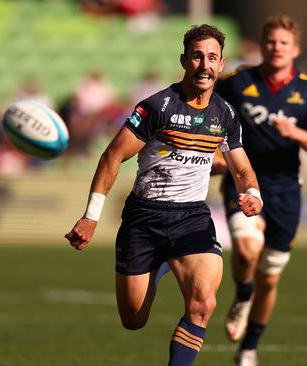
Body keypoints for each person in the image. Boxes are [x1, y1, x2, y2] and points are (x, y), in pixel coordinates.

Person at [64, 24, 263, 366]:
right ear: (185, 60)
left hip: (191, 219)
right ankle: (157, 265)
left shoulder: (225, 114)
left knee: (203, 303)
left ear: (221, 63)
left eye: (212, 58)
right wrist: (90, 216)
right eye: (198, 56)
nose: (204, 65)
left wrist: (253, 193)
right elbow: (112, 156)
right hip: (145, 218)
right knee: (133, 319)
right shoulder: (157, 107)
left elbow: (242, 167)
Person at [214, 15, 307, 366]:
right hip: (245, 182)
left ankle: (249, 346)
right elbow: (203, 106)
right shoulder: (238, 81)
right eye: (270, 41)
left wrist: (294, 132)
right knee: (247, 251)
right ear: (262, 45)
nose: (276, 48)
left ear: (295, 49)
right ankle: (242, 293)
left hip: (286, 191)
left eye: (283, 43)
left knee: (270, 276)